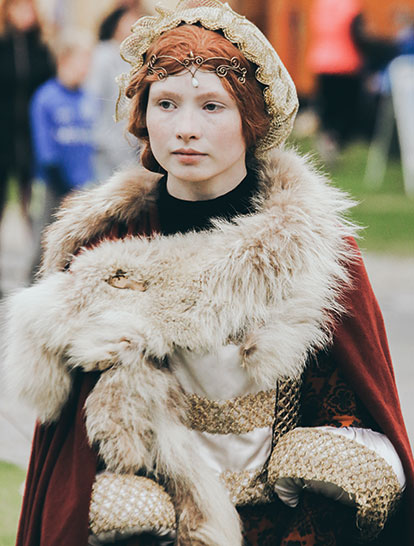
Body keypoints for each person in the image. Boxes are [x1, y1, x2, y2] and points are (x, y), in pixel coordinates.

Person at [4, 1, 414, 545]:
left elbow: (350, 415)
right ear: (143, 115)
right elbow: (72, 463)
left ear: (251, 118)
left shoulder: (317, 251)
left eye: (212, 106)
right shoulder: (100, 246)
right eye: (166, 104)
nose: (185, 129)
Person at [29, 29, 96, 276]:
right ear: (63, 60)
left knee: (76, 247)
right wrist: (64, 187)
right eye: (82, 60)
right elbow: (45, 150)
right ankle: (29, 285)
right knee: (42, 244)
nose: (86, 68)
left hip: (83, 187)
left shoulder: (87, 98)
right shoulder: (45, 98)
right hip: (53, 185)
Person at [85, 6, 140, 181]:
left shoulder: (137, 57)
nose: (133, 26)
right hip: (106, 138)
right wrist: (96, 134)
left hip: (130, 138)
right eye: (128, 21)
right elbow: (92, 95)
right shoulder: (103, 54)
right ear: (116, 24)